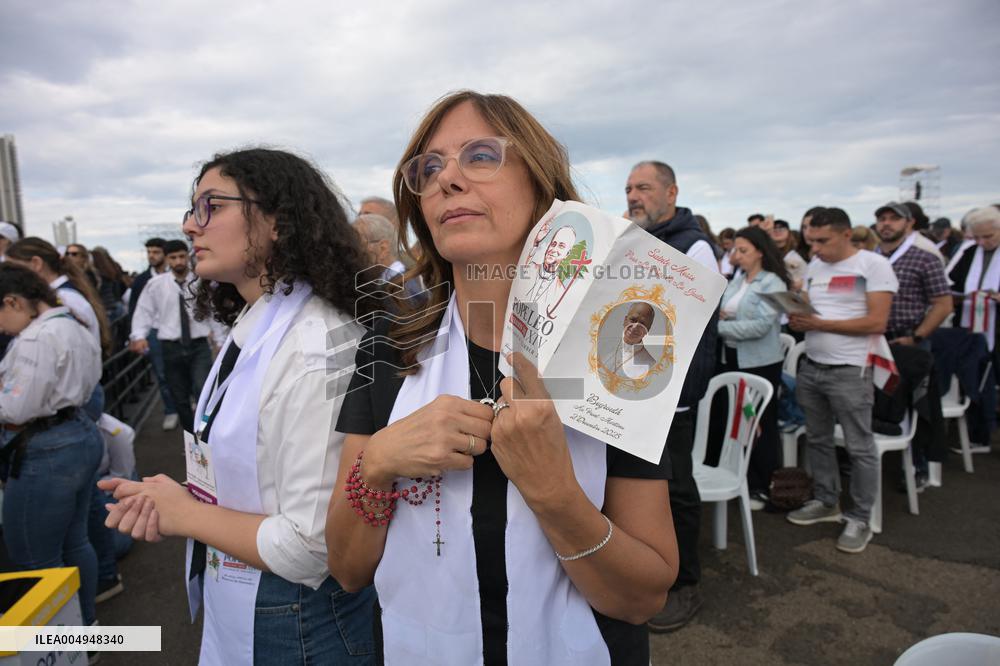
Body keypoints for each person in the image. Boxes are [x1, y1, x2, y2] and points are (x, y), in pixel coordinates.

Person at [328, 91, 678, 665]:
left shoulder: (612, 353)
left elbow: (643, 597)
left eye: (481, 156)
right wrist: (379, 463)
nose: (448, 180)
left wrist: (554, 492)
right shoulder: (390, 346)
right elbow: (347, 568)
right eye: (429, 167)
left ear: (542, 186)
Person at [103, 147, 375, 664]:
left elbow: (313, 546)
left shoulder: (314, 342)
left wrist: (186, 515)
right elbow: (266, 471)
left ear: (277, 220)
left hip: (298, 618)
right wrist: (180, 497)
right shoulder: (259, 322)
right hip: (258, 599)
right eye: (191, 208)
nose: (189, 224)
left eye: (211, 206)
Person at [625, 159, 717, 631]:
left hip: (672, 392)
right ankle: (645, 571)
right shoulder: (642, 242)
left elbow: (685, 321)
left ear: (671, 193)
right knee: (640, 485)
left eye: (643, 187)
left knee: (676, 486)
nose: (633, 196)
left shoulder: (693, 247)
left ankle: (684, 585)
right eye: (628, 189)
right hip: (637, 385)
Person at [787, 207, 897, 554]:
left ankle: (860, 517)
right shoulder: (816, 266)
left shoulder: (873, 265)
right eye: (810, 241)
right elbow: (813, 309)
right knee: (818, 439)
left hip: (851, 369)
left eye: (823, 241)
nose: (815, 249)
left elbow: (877, 322)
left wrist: (818, 324)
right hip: (814, 364)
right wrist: (797, 312)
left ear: (847, 235)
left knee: (859, 446)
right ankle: (826, 500)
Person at [0, 263, 104, 629]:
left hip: (46, 447)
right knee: (76, 542)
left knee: (33, 558)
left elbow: (15, 407)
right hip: (78, 431)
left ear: (12, 301)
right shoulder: (72, 323)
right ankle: (85, 630)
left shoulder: (34, 338)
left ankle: (61, 645)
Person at [873, 201, 952, 488]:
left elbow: (943, 304)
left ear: (909, 224)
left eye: (894, 218)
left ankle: (917, 466)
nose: (886, 223)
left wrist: (918, 335)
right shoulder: (868, 258)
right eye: (882, 218)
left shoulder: (923, 258)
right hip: (873, 340)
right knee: (878, 402)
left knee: (916, 405)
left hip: (908, 340)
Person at [718, 226, 790, 509]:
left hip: (760, 362)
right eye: (735, 250)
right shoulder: (738, 280)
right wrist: (727, 323)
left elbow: (761, 326)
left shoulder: (773, 283)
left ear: (760, 251)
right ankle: (741, 477)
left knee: (759, 423)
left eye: (743, 251)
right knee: (737, 421)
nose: (737, 256)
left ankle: (762, 483)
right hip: (733, 358)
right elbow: (722, 307)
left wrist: (721, 326)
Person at [128, 240, 222, 434]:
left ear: (188, 257)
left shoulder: (201, 281)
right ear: (167, 258)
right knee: (178, 395)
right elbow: (144, 311)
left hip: (198, 345)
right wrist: (139, 335)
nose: (178, 261)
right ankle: (191, 438)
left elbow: (213, 313)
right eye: (173, 257)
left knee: (202, 388)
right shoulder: (155, 285)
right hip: (170, 346)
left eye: (182, 256)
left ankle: (205, 434)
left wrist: (221, 341)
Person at [946, 205, 1000, 452]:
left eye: (988, 236)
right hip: (969, 325)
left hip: (995, 326)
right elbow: (949, 285)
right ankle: (979, 432)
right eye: (977, 237)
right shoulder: (968, 251)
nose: (982, 242)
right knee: (976, 378)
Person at [6, 237, 112, 356]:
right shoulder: (64, 295)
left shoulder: (65, 300)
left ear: (36, 263)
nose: (10, 276)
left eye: (14, 269)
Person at [127, 237, 178, 430]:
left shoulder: (178, 274)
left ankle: (188, 403)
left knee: (184, 368)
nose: (151, 256)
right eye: (149, 252)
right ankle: (170, 410)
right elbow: (135, 309)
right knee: (162, 373)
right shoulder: (142, 280)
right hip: (155, 332)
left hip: (178, 330)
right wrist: (136, 336)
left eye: (156, 252)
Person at [601, 302, 658, 379]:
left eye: (642, 324)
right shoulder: (602, 345)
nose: (635, 327)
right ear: (625, 320)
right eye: (633, 320)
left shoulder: (651, 367)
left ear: (647, 330)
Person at [90, 246, 129, 322]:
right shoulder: (113, 267)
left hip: (104, 307)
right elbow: (122, 286)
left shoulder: (95, 272)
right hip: (116, 305)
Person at [771, 218, 807, 290]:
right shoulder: (767, 253)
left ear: (788, 232)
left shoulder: (800, 251)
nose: (777, 231)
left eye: (781, 228)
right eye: (774, 228)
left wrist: (804, 282)